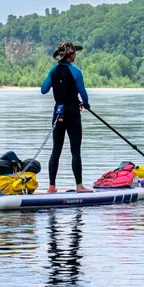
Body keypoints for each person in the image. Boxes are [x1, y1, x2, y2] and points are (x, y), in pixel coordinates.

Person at [41, 41, 92, 194]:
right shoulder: (76, 72)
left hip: (58, 113)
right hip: (72, 112)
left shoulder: (53, 71)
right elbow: (83, 93)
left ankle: (51, 187)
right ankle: (79, 186)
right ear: (69, 56)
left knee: (56, 150)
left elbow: (43, 90)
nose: (75, 55)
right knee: (75, 150)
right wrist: (85, 103)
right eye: (74, 52)